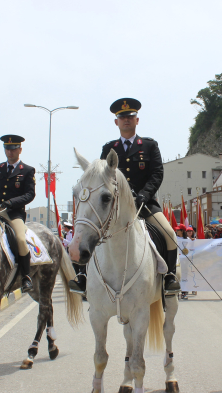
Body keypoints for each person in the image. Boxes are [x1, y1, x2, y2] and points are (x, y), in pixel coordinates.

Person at [68, 98, 180, 296]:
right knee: (93, 231)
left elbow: (157, 173)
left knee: (169, 233)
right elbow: (102, 177)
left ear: (137, 120)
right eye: (122, 117)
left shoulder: (149, 145)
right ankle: (84, 276)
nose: (126, 120)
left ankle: (169, 277)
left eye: (130, 116)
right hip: (114, 206)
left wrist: (145, 194)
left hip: (143, 205)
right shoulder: (109, 148)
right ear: (116, 122)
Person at [0, 134, 37, 293]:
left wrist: (12, 202)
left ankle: (26, 276)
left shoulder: (27, 170)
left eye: (13, 149)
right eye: (7, 149)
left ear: (20, 149)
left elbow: (29, 194)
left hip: (13, 214)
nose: (9, 152)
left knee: (20, 238)